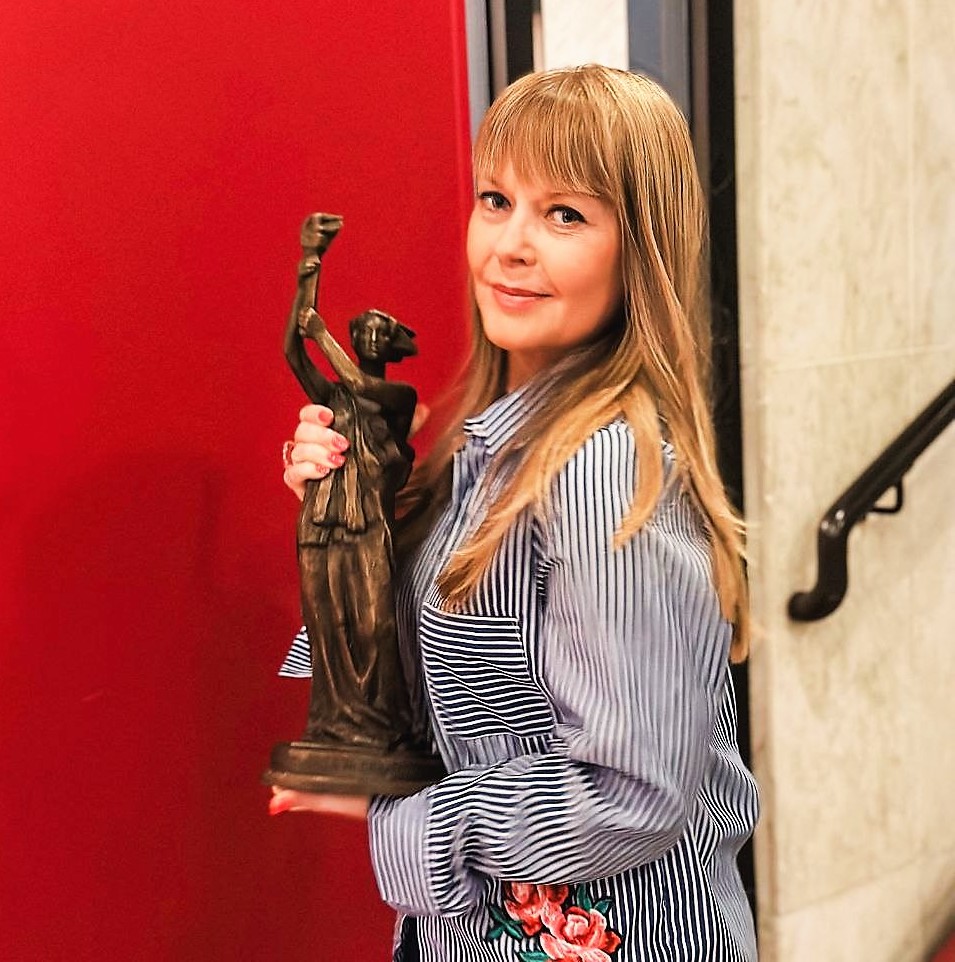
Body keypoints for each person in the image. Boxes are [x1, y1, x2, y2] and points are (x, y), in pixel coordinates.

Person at [272, 64, 759, 962]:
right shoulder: (485, 447)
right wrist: (364, 508)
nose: (510, 245)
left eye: (564, 214)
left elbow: (635, 790)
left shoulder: (596, 472)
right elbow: (480, 696)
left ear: (638, 250)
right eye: (496, 200)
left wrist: (405, 816)